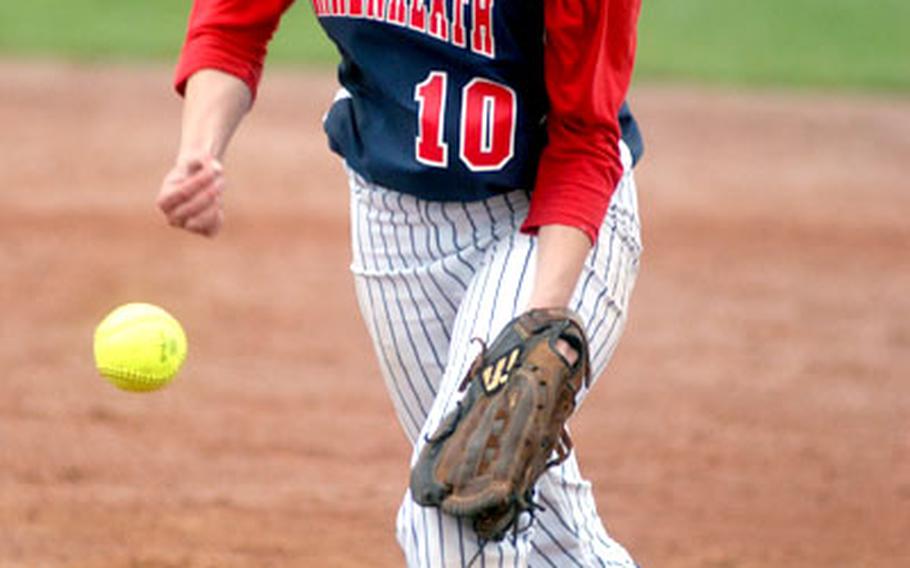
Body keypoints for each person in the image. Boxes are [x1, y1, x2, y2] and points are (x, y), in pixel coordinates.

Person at [156, 0, 645, 565]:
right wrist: (199, 151)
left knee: (455, 505)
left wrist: (534, 329)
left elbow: (585, 137)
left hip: (548, 217)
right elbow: (231, 22)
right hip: (394, 224)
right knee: (537, 530)